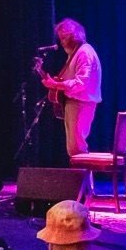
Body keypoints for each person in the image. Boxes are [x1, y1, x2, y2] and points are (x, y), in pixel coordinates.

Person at [39, 17, 103, 158]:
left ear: (74, 35)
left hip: (81, 103)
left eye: (64, 37)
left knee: (77, 149)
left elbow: (81, 83)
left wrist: (56, 85)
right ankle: (84, 181)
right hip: (77, 102)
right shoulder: (76, 53)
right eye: (60, 38)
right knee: (75, 149)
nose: (61, 42)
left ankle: (82, 181)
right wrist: (56, 84)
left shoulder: (84, 52)